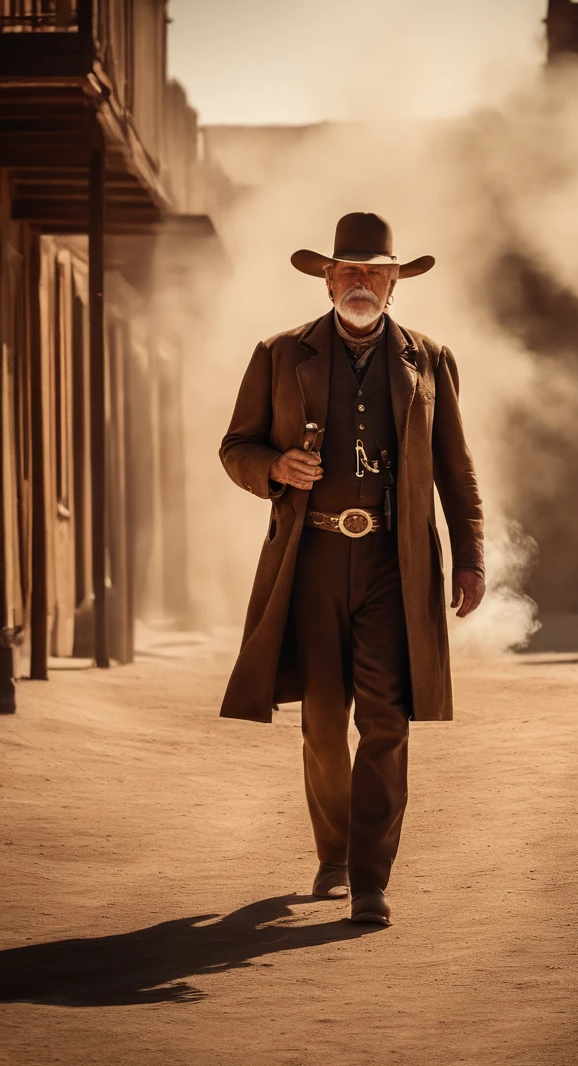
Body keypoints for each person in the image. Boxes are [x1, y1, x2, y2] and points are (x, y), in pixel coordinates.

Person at [218, 212, 486, 926]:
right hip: (310, 559)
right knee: (322, 720)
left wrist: (471, 558)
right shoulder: (278, 355)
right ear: (328, 278)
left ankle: (370, 877)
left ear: (396, 283)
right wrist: (275, 466)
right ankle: (333, 854)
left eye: (375, 271)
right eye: (349, 270)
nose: (361, 282)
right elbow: (234, 446)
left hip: (393, 563)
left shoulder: (429, 359)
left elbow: (456, 470)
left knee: (387, 721)